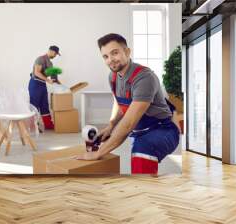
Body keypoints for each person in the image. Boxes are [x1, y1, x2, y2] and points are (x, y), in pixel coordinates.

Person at [76, 33, 180, 175]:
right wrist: (111, 126)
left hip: (163, 130)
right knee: (137, 146)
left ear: (127, 52)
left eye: (115, 53)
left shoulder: (144, 78)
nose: (110, 60)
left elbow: (128, 123)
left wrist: (98, 153)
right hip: (139, 132)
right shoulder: (113, 76)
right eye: (105, 56)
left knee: (142, 149)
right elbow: (120, 102)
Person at [28, 45, 61, 129]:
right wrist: (48, 80)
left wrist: (57, 82)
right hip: (35, 84)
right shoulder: (40, 59)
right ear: (52, 51)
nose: (55, 56)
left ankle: (48, 125)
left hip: (42, 84)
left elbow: (53, 75)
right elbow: (37, 72)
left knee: (44, 105)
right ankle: (33, 126)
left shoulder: (50, 63)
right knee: (34, 105)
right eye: (56, 54)